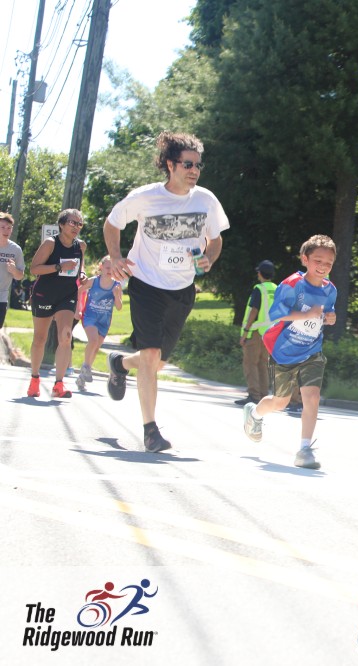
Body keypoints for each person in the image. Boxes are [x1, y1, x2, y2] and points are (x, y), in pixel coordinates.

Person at [103, 130, 229, 453]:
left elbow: (215, 240)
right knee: (150, 355)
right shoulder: (145, 197)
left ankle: (120, 364)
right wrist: (115, 257)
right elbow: (112, 223)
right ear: (170, 165)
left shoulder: (206, 200)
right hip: (146, 284)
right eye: (188, 164)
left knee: (156, 362)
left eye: (198, 165)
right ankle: (150, 431)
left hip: (182, 289)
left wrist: (209, 258)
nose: (194, 171)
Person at [241, 235, 338, 470]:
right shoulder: (292, 284)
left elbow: (327, 312)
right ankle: (254, 414)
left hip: (312, 351)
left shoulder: (331, 290)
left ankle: (305, 449)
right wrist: (305, 315)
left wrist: (330, 318)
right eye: (318, 261)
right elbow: (276, 315)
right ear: (305, 259)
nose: (323, 266)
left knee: (312, 398)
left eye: (328, 263)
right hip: (284, 351)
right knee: (280, 402)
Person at [26, 209, 87, 399]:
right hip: (45, 294)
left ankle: (59, 384)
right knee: (40, 338)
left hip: (67, 295)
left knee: (66, 337)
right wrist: (59, 267)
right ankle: (34, 379)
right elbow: (34, 269)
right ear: (61, 224)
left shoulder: (81, 245)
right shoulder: (50, 243)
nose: (76, 227)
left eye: (79, 224)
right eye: (72, 223)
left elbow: (80, 266)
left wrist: (82, 274)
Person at [75, 256, 124, 392]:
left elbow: (119, 307)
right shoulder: (93, 281)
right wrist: (78, 308)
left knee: (95, 348)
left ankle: (82, 377)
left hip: (104, 321)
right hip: (90, 317)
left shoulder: (116, 285)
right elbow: (79, 290)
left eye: (112, 268)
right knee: (93, 340)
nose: (109, 271)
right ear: (101, 267)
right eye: (107, 268)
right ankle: (86, 367)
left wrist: (116, 295)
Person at [235, 260, 277, 406]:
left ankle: (254, 395)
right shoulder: (276, 289)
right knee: (262, 364)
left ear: (260, 273)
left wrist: (245, 332)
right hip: (269, 333)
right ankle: (263, 395)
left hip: (256, 332)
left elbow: (254, 310)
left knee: (250, 364)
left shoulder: (259, 289)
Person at [0, 211, 25, 327]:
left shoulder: (16, 250)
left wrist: (14, 270)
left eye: (9, 228)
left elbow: (20, 276)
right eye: (2, 227)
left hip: (2, 296)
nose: (6, 231)